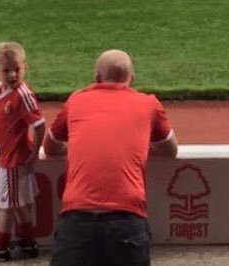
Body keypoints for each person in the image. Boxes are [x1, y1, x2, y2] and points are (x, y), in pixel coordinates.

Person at [44, 49, 179, 266]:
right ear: (131, 79)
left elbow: (50, 147)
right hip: (127, 219)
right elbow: (170, 150)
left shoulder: (76, 100)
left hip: (77, 219)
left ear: (97, 77)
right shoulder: (149, 104)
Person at [0, 41, 45, 261]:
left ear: (26, 67)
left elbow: (40, 125)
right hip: (8, 157)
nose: (13, 74)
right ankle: (27, 243)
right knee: (17, 204)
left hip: (15, 160)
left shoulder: (23, 95)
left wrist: (33, 156)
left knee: (5, 205)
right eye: (7, 70)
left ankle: (1, 246)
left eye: (17, 69)